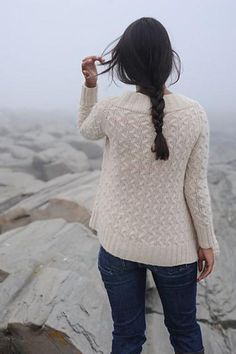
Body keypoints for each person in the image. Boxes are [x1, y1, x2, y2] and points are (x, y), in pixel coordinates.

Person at [78, 16, 220, 354]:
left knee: (126, 338)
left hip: (118, 246)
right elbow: (195, 185)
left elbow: (85, 128)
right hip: (175, 249)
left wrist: (91, 86)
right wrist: (207, 242)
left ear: (126, 63)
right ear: (168, 60)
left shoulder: (112, 110)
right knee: (184, 332)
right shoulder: (194, 113)